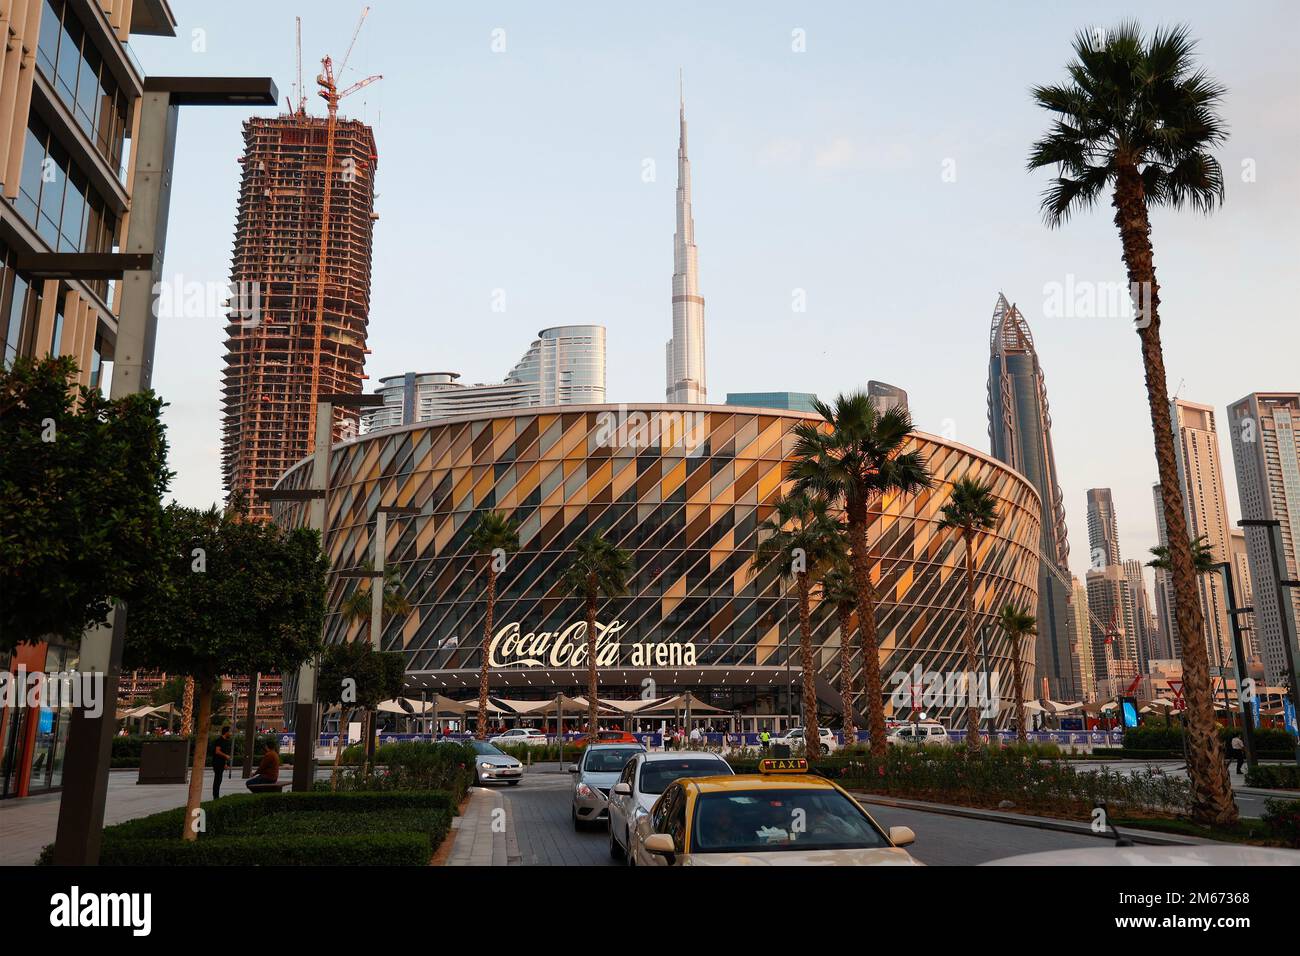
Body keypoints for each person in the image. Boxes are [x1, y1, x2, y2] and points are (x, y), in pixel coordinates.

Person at [212, 726, 233, 799]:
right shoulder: (219, 740)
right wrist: (226, 756)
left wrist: (225, 763)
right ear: (226, 732)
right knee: (217, 780)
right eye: (230, 732)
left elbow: (224, 753)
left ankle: (216, 796)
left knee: (219, 779)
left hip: (221, 763)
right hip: (217, 762)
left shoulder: (226, 741)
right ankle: (215, 796)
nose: (231, 733)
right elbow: (217, 751)